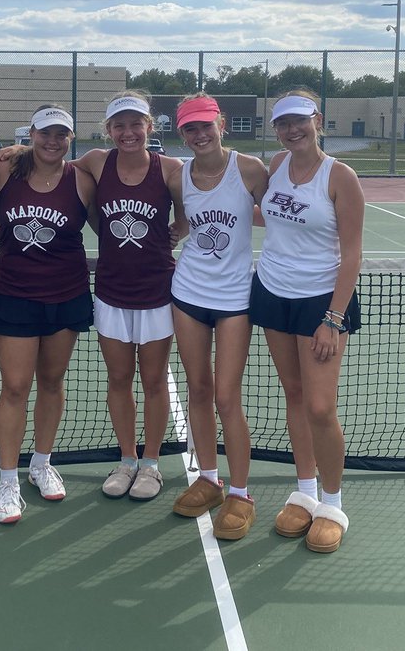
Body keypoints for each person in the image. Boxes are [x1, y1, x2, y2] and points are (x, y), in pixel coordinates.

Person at [250, 90, 364, 553]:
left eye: (299, 120)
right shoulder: (277, 165)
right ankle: (305, 492)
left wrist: (333, 319)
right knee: (294, 396)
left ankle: (332, 504)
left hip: (321, 303)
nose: (291, 129)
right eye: (282, 123)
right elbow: (269, 215)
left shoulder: (341, 177)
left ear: (317, 120)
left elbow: (352, 254)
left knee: (320, 407)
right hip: (272, 292)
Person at [0, 105, 96, 524]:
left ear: (70, 138)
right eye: (45, 133)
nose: (53, 141)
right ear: (31, 133)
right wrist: (8, 238)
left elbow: (108, 226)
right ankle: (7, 481)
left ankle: (41, 463)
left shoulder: (82, 179)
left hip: (67, 293)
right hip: (16, 294)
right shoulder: (4, 171)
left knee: (51, 382)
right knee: (14, 387)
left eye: (61, 134)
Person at [75, 91, 185, 501]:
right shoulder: (95, 162)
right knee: (119, 379)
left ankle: (151, 464)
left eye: (136, 124)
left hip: (157, 292)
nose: (128, 132)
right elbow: (51, 165)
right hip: (111, 292)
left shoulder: (170, 169)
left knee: (154, 380)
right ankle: (126, 461)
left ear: (149, 127)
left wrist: (178, 231)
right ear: (108, 130)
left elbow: (190, 211)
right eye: (119, 125)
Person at [167, 93, 267, 541]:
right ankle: (209, 479)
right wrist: (168, 237)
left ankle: (241, 494)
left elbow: (279, 214)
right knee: (199, 389)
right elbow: (184, 223)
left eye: (206, 125)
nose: (200, 134)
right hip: (187, 292)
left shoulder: (250, 170)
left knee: (227, 397)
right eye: (190, 128)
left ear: (221, 125)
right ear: (181, 133)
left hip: (235, 299)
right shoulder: (179, 176)